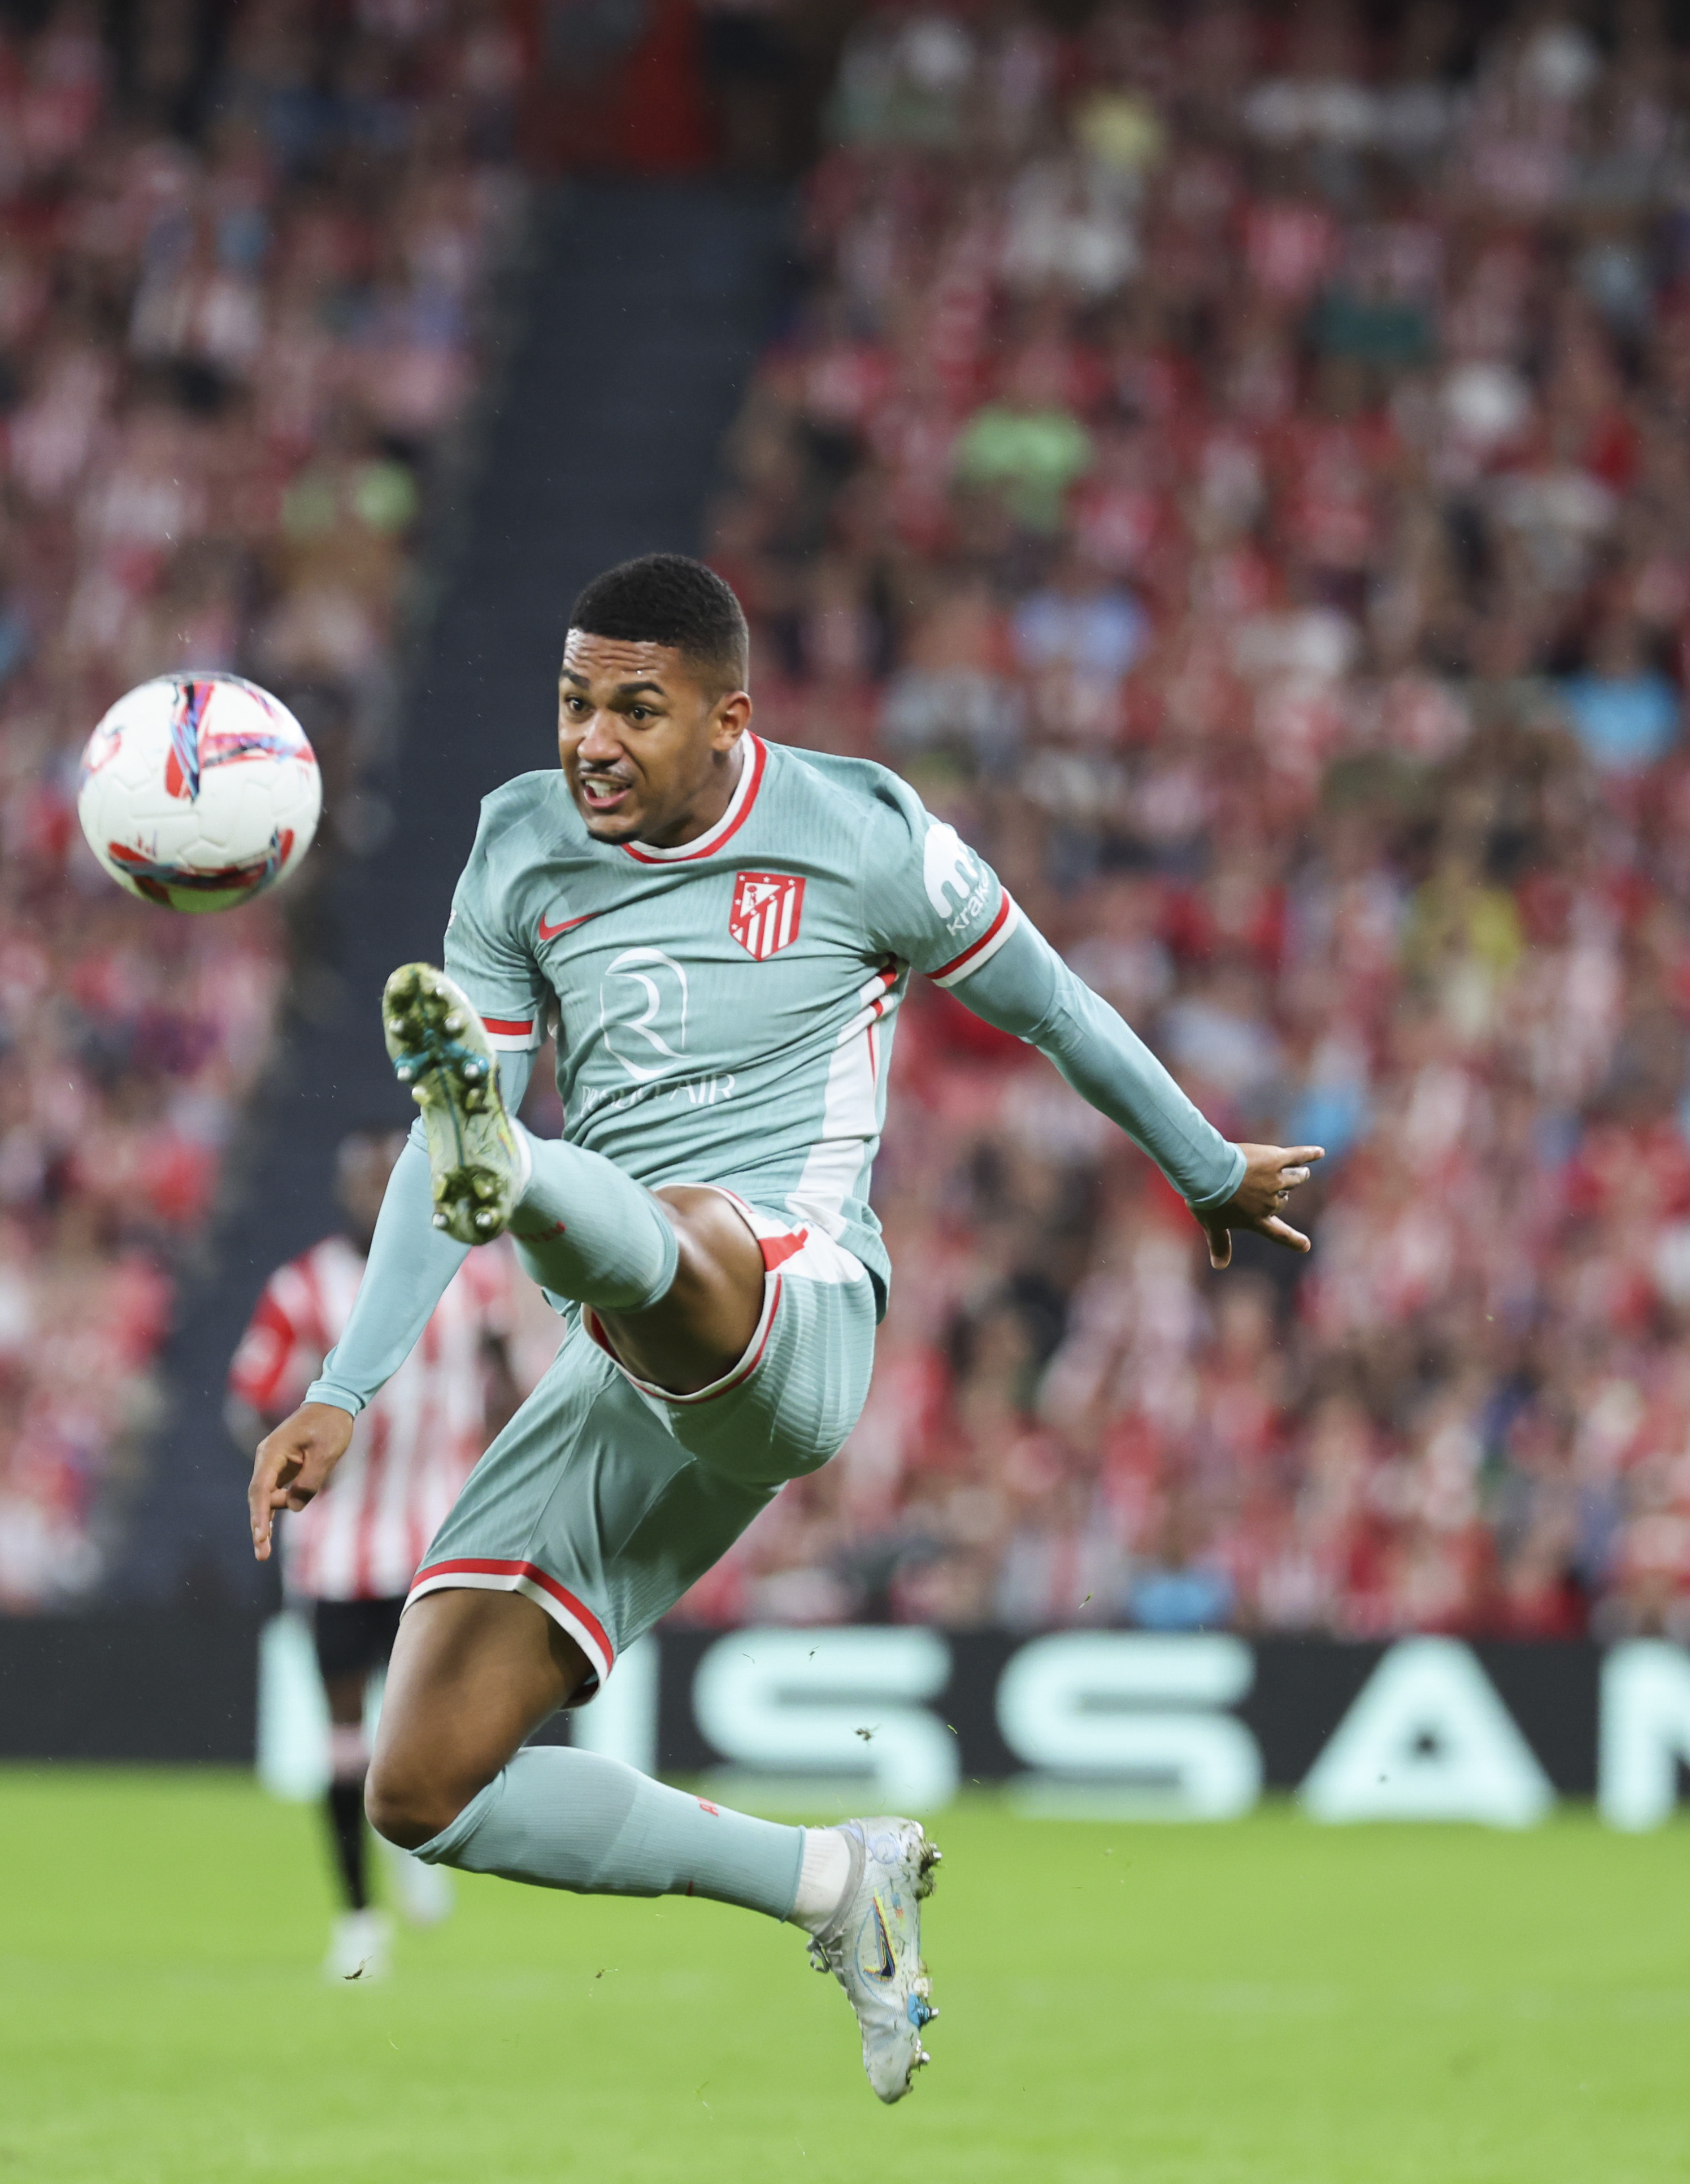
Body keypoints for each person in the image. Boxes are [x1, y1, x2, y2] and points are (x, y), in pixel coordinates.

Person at [246, 554, 1322, 2101]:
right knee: (425, 1785)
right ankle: (832, 1882)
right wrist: (348, 1384)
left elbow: (1054, 1007)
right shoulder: (518, 845)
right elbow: (434, 1161)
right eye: (571, 703)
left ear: (726, 718)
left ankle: (529, 1165)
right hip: (612, 1370)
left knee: (663, 1221)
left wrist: (1205, 1169)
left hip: (790, 1306)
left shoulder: (861, 834)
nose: (590, 741)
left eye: (635, 707)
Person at [227, 1131, 525, 1981]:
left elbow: (508, 1380)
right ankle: (358, 1920)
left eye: (381, 1176)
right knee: (342, 1738)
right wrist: (280, 1463)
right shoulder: (302, 1288)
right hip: (335, 1548)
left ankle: (410, 1842)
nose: (370, 1192)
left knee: (421, 1720)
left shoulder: (476, 1270)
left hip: (441, 1536)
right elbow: (248, 1404)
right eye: (356, 1178)